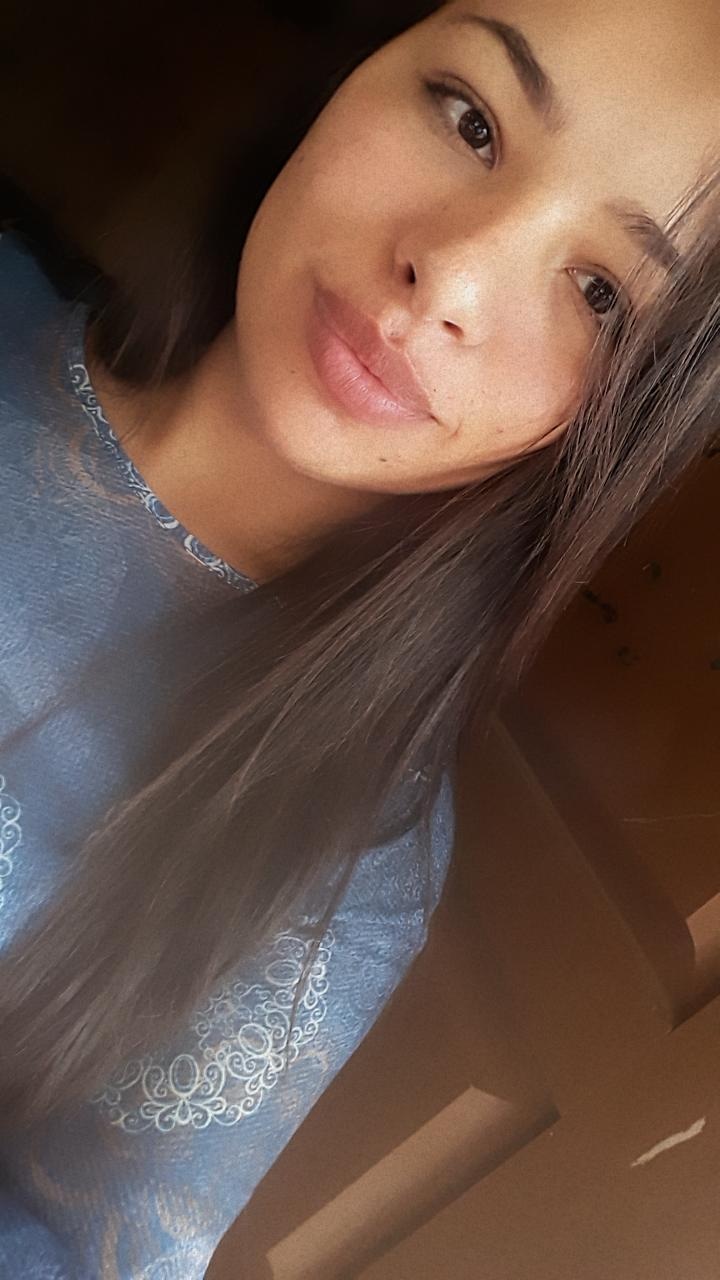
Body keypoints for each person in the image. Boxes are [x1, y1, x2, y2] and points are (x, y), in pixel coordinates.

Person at [0, 0, 718, 1274]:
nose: (451, 276)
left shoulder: (346, 867)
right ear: (356, 69)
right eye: (470, 119)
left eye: (602, 292)